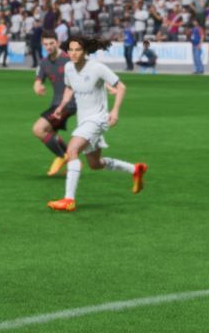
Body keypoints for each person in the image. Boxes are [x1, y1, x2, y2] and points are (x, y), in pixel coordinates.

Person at [47, 36, 146, 212]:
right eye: (71, 49)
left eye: (78, 49)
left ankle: (69, 199)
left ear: (85, 51)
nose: (74, 53)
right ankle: (135, 169)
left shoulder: (97, 68)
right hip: (83, 120)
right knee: (95, 164)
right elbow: (69, 88)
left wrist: (115, 111)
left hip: (97, 119)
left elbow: (121, 87)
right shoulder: (69, 67)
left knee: (72, 150)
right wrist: (61, 106)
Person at [32, 32, 74, 177]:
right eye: (46, 44)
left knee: (38, 129)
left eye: (51, 43)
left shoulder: (69, 59)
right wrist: (38, 87)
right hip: (56, 104)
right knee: (50, 133)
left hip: (70, 103)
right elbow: (38, 81)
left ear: (57, 42)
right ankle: (72, 161)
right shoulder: (44, 63)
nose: (49, 47)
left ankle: (62, 156)